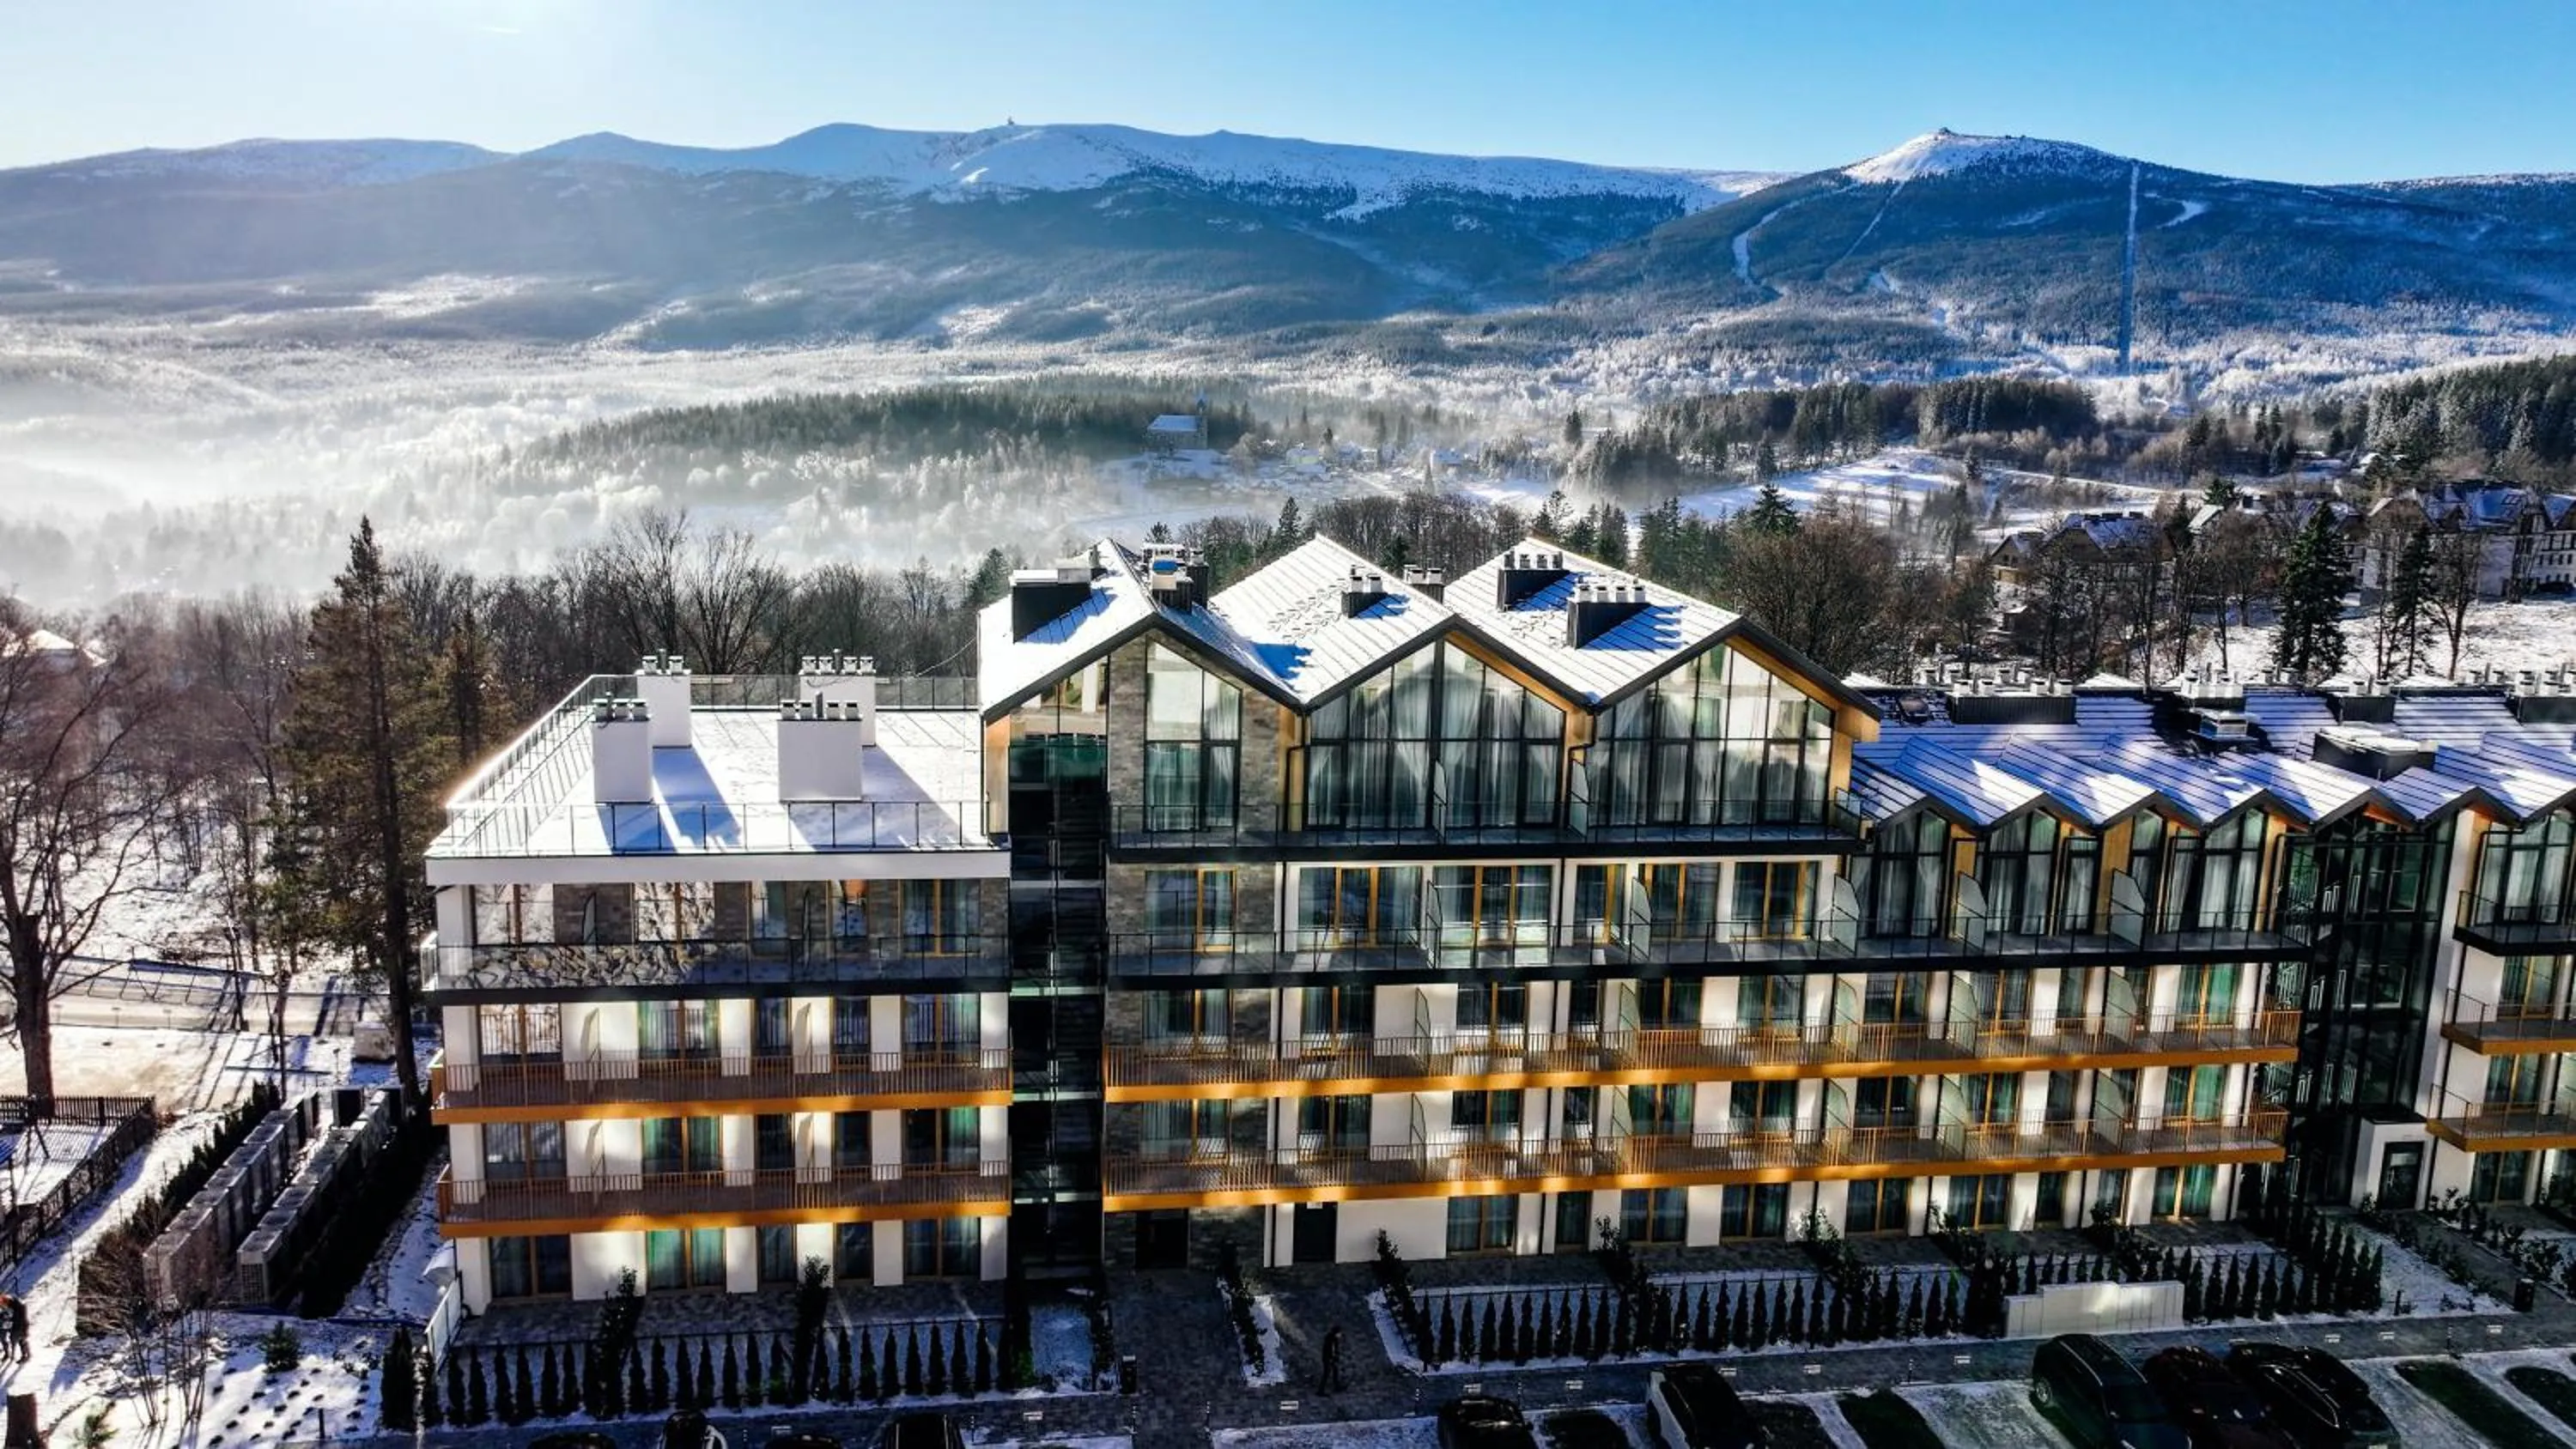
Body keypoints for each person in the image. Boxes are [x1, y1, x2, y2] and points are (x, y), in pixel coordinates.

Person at [1318, 1325, 1345, 1392]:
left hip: (1329, 1358)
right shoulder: (1332, 1339)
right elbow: (1331, 1350)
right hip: (1329, 1359)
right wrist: (1333, 1358)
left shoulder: (1331, 1338)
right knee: (1327, 1373)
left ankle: (1336, 1387)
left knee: (1334, 1372)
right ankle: (1321, 1390)